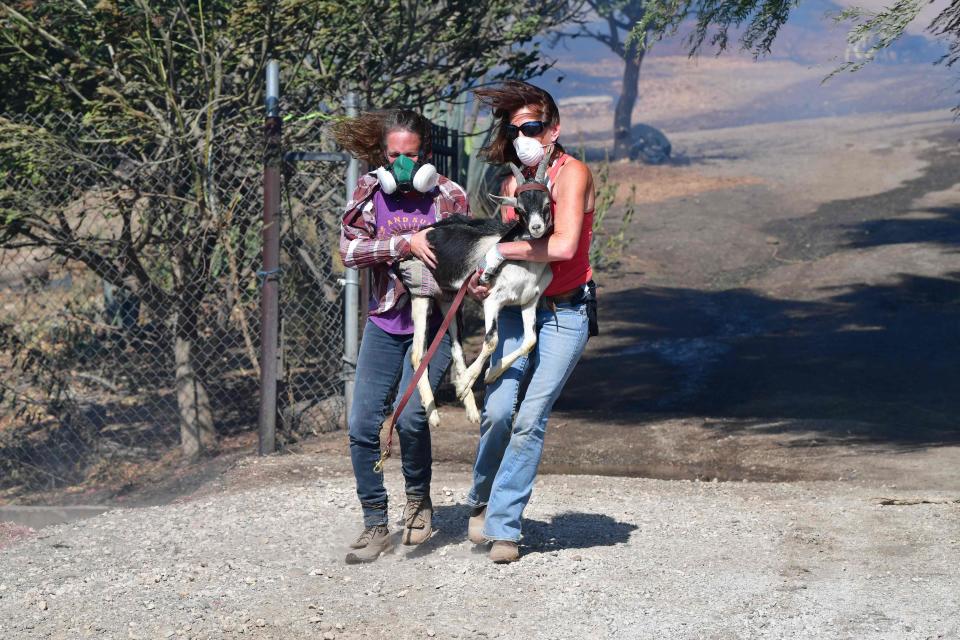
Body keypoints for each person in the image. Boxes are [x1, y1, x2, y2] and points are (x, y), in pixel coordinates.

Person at [466, 81, 597, 563]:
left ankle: (503, 528)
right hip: (519, 310)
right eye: (515, 128)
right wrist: (485, 277)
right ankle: (480, 499)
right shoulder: (510, 185)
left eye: (533, 127)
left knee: (529, 418)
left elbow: (562, 247)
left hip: (565, 310)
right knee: (499, 411)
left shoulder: (572, 175)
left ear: (554, 130)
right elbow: (502, 247)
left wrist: (502, 250)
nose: (523, 136)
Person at [334, 109, 470, 564]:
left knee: (411, 418)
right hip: (385, 323)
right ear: (382, 155)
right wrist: (402, 244)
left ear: (425, 155)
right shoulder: (369, 192)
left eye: (411, 156)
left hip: (432, 325)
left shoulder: (448, 196)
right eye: (394, 156)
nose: (403, 166)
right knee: (360, 426)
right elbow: (349, 250)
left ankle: (418, 501)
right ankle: (375, 521)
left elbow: (464, 258)